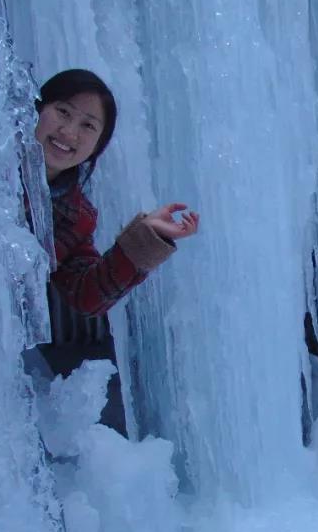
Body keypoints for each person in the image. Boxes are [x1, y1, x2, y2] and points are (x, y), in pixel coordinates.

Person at [31, 69, 199, 433]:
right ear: (38, 108)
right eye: (63, 112)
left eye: (88, 126)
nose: (69, 132)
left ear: (96, 147)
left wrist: (146, 236)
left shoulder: (76, 216)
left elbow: (88, 294)